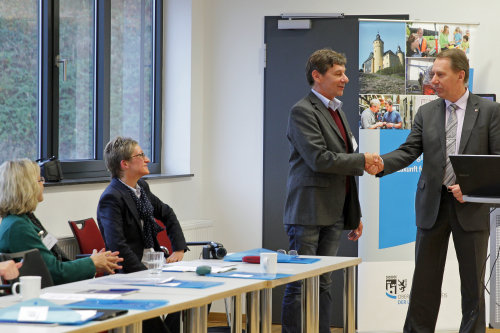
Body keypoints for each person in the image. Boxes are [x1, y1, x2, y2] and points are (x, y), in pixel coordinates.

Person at [367, 48, 500, 332]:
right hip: (431, 206)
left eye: (440, 74)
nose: (433, 79)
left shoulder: (490, 112)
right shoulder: (426, 112)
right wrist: (380, 164)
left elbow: (497, 162)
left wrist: (475, 189)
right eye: (432, 74)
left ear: (460, 75)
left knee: (472, 287)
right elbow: (408, 150)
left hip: (471, 207)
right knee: (424, 284)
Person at [281, 48, 380, 333]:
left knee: (323, 282)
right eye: (338, 74)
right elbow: (319, 159)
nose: (346, 79)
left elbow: (344, 168)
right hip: (308, 212)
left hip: (335, 212)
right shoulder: (302, 110)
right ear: (317, 75)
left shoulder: (337, 110)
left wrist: (354, 212)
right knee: (299, 284)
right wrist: (364, 160)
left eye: (344, 73)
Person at [97, 136, 187, 333]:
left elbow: (167, 212)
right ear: (125, 164)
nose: (147, 160)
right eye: (141, 155)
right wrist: (146, 276)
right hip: (130, 273)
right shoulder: (112, 198)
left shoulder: (141, 188)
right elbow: (118, 247)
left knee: (194, 297)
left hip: (153, 266)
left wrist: (178, 248)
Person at [0, 159, 123, 285]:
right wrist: (92, 263)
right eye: (40, 180)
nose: (43, 183)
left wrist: (93, 261)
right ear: (27, 187)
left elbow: (55, 263)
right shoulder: (17, 227)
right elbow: (55, 272)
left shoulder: (24, 219)